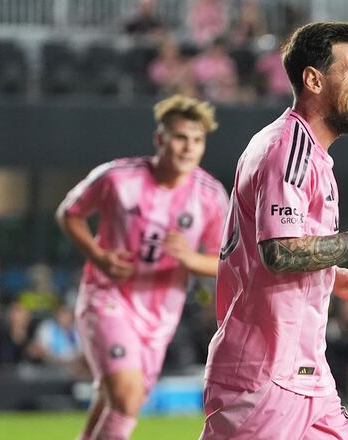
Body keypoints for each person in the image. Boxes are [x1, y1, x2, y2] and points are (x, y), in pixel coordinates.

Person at [201, 22, 348, 439]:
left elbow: (281, 247)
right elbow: (278, 252)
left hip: (307, 374)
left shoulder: (310, 153)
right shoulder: (288, 148)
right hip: (263, 376)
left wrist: (332, 276)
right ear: (313, 79)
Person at [56, 94, 228, 440]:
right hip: (108, 298)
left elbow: (228, 263)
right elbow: (69, 213)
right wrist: (99, 255)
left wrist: (190, 259)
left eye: (197, 140)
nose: (187, 148)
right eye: (180, 137)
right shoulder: (118, 177)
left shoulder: (210, 196)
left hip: (160, 315)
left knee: (115, 399)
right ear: (160, 139)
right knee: (127, 397)